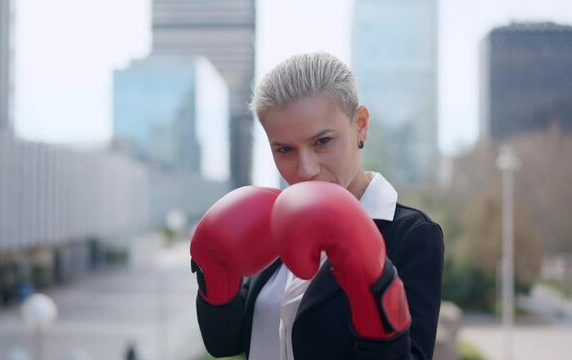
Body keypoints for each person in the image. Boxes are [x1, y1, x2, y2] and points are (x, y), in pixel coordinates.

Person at [190, 52, 444, 360]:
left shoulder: (411, 235)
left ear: (360, 125)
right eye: (284, 149)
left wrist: (375, 289)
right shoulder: (274, 222)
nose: (305, 169)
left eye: (322, 142)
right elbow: (224, 341)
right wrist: (214, 274)